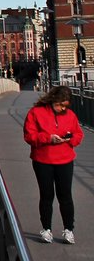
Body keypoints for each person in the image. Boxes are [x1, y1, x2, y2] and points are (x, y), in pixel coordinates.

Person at [23, 85, 84, 244]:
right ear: (53, 100)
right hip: (43, 160)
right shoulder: (35, 113)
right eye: (60, 105)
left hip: (65, 159)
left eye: (65, 106)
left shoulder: (70, 115)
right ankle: (46, 229)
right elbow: (30, 136)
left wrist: (71, 139)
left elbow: (78, 134)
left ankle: (69, 229)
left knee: (65, 196)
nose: (62, 108)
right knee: (46, 195)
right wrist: (48, 138)